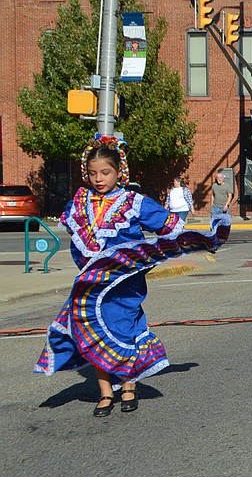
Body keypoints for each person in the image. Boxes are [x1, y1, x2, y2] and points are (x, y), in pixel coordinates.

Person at [35, 135, 230, 415]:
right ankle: (104, 392)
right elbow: (77, 239)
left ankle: (128, 384)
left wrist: (193, 243)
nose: (98, 179)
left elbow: (167, 226)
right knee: (91, 330)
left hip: (125, 282)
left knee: (123, 329)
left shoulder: (133, 202)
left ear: (119, 172)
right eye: (92, 173)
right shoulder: (79, 203)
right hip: (92, 284)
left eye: (105, 172)